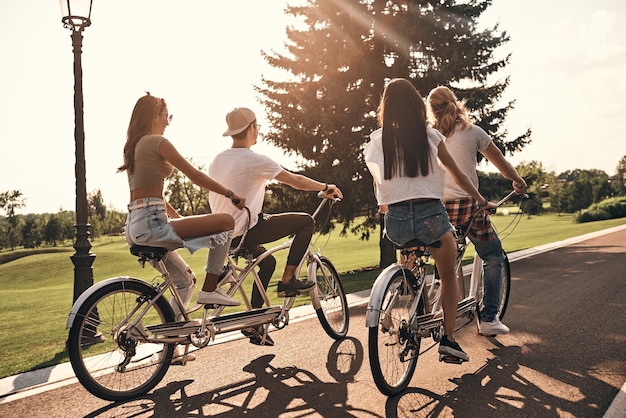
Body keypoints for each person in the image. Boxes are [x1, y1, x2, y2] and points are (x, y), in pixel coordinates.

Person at [364, 78, 497, 362]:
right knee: (448, 276)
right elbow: (458, 176)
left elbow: (379, 187)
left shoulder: (377, 142)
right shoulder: (431, 137)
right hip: (431, 218)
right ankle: (448, 340)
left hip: (396, 223)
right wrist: (481, 200)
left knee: (408, 256)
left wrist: (387, 208)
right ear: (417, 106)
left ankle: (402, 297)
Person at [208, 107, 343, 345]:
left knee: (267, 261)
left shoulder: (218, 159)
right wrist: (325, 186)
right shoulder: (254, 160)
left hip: (224, 236)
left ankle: (255, 323)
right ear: (251, 128)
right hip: (246, 231)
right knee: (305, 222)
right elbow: (295, 180)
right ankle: (288, 280)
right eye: (257, 126)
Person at [118, 93, 248, 318]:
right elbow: (194, 175)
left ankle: (171, 347)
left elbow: (145, 193)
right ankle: (210, 289)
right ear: (155, 116)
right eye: (167, 117)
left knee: (185, 281)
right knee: (226, 222)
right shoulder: (158, 142)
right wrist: (230, 194)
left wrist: (175, 215)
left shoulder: (132, 146)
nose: (168, 123)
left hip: (135, 225)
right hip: (152, 223)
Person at [426, 85, 527, 335]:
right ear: (456, 103)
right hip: (466, 206)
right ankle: (489, 318)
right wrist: (517, 180)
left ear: (431, 110)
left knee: (441, 258)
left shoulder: (428, 134)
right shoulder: (472, 132)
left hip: (435, 207)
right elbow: (501, 162)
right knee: (493, 254)